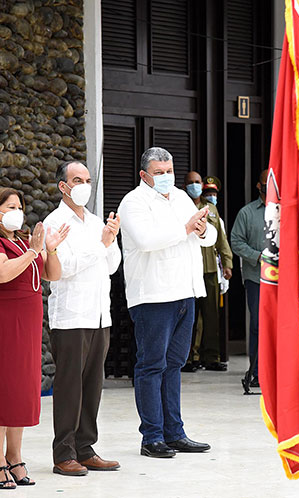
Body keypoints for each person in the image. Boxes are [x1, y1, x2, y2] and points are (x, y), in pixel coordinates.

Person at [118, 147, 216, 458]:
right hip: (153, 295)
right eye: (159, 173)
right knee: (152, 365)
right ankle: (152, 437)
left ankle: (175, 432)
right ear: (144, 175)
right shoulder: (133, 203)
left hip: (184, 293)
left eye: (169, 171)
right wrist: (186, 228)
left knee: (174, 364)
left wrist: (201, 230)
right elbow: (147, 240)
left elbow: (208, 237)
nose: (166, 178)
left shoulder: (180, 197)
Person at [0, 187, 69, 489]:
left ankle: (15, 456)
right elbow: (0, 273)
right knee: (0, 388)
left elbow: (53, 274)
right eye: (10, 206)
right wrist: (31, 253)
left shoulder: (25, 241)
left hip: (26, 325)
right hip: (0, 325)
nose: (17, 211)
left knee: (20, 389)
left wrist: (48, 249)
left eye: (19, 206)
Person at [44, 161, 122, 476]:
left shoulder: (93, 220)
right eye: (77, 179)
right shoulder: (55, 222)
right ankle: (63, 453)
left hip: (99, 314)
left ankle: (85, 448)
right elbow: (64, 268)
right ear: (63, 186)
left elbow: (112, 265)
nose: (84, 184)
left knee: (92, 386)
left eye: (88, 179)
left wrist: (110, 239)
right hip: (71, 316)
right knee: (69, 388)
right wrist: (100, 245)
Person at [182, 172, 233, 372]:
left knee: (211, 315)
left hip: (210, 268)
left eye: (197, 182)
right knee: (189, 317)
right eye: (190, 183)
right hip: (188, 270)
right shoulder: (181, 207)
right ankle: (188, 358)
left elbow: (221, 239)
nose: (194, 186)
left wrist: (227, 263)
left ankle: (211, 356)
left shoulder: (210, 209)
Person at [230, 169, 268, 385]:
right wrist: (258, 256)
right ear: (258, 186)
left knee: (283, 327)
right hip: (256, 278)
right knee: (258, 325)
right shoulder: (247, 213)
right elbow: (236, 242)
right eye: (266, 183)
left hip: (285, 280)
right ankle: (257, 373)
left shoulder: (288, 211)